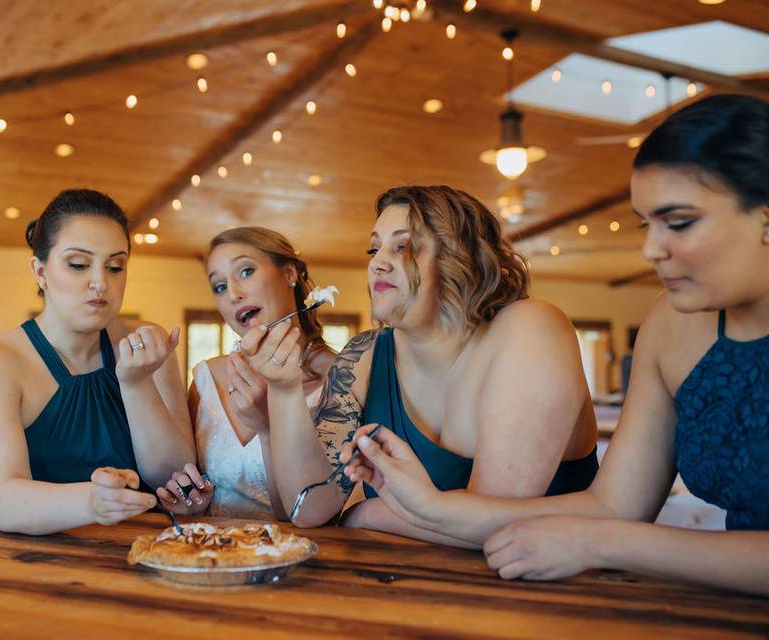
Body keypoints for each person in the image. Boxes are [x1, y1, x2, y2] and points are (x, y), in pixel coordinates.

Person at [342, 94, 769, 596]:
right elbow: (613, 505)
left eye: (678, 223)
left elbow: (608, 527)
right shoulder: (669, 325)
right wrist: (425, 505)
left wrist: (606, 543)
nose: (651, 250)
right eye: (645, 224)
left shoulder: (530, 330)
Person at [239, 185, 598, 544]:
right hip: (408, 586)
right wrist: (284, 391)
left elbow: (491, 526)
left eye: (402, 246)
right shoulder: (363, 355)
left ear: (459, 258)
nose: (377, 261)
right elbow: (311, 509)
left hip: (547, 587)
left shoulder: (531, 329)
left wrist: (367, 514)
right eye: (374, 247)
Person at [0, 189, 194, 535]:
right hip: (37, 562)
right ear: (40, 271)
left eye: (115, 266)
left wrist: (136, 383)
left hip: (151, 551)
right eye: (79, 265)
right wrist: (92, 502)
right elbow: (2, 498)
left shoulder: (146, 343)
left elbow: (174, 477)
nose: (101, 282)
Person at [155, 227, 334, 519]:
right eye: (220, 287)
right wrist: (194, 503)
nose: (234, 294)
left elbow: (310, 516)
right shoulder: (206, 377)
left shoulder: (341, 378)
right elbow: (196, 484)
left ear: (289, 274)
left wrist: (267, 428)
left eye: (246, 271)